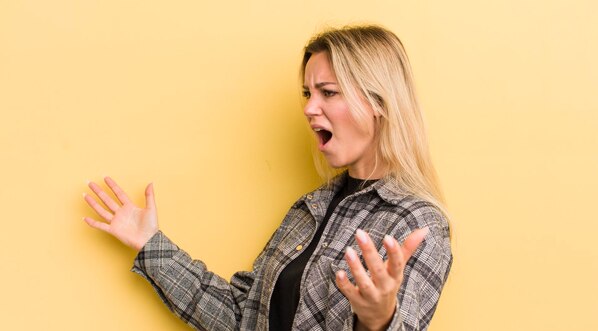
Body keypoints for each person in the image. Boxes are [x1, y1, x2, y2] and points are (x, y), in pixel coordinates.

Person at [83, 25, 452, 331]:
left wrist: (378, 320)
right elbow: (240, 317)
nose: (308, 107)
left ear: (379, 103)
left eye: (328, 92)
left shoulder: (417, 223)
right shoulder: (310, 209)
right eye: (308, 93)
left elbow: (402, 323)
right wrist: (151, 244)